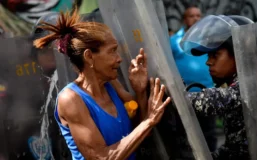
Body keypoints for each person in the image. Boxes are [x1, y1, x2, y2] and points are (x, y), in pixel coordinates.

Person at [33, 10, 171, 160]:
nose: (119, 59)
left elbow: (141, 131)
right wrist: (149, 121)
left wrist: (140, 91)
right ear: (89, 56)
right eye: (112, 51)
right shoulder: (70, 100)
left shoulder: (111, 84)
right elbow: (102, 157)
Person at [181, 15, 254, 160]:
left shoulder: (252, 84)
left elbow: (211, 101)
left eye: (215, 55)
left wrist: (168, 94)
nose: (208, 62)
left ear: (239, 52)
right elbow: (235, 146)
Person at [170, 6, 214, 92]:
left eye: (198, 16)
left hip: (208, 91)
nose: (196, 19)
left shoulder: (208, 40)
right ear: (185, 20)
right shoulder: (173, 41)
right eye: (191, 16)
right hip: (183, 92)